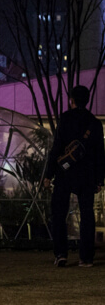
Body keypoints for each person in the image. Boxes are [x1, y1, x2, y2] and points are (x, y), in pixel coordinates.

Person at [43, 85, 105, 267]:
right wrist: (99, 179)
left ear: (71, 100)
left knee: (59, 214)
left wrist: (49, 175)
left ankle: (61, 254)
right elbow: (100, 154)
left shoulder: (65, 118)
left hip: (65, 173)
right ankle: (85, 257)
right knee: (87, 215)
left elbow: (56, 148)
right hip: (87, 175)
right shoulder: (94, 123)